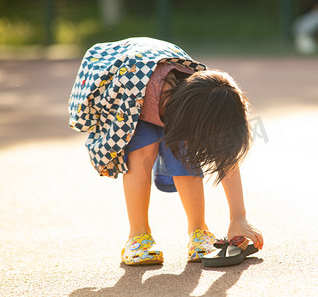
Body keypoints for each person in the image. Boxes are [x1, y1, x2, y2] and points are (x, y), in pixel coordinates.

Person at [68, 37, 264, 265]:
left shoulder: (209, 98)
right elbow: (112, 136)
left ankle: (199, 230)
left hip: (165, 97)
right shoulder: (133, 89)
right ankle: (138, 235)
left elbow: (226, 154)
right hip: (132, 97)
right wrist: (104, 158)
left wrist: (238, 217)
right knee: (142, 150)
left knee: (184, 151)